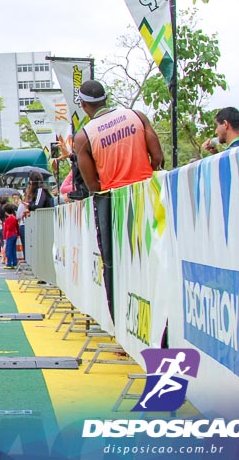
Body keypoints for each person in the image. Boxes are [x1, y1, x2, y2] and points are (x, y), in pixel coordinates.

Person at [73, 79, 163, 318]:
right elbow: (158, 157)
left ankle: (121, 324)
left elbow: (92, 184)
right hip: (148, 194)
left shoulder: (83, 137)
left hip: (113, 204)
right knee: (155, 258)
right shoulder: (136, 115)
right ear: (105, 98)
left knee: (113, 265)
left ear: (83, 105)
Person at [2, 203, 19, 269]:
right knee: (13, 250)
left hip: (9, 235)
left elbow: (6, 229)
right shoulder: (15, 218)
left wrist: (4, 237)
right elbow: (17, 227)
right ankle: (15, 263)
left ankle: (9, 263)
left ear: (6, 212)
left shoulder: (7, 219)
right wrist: (18, 234)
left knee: (8, 250)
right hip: (14, 234)